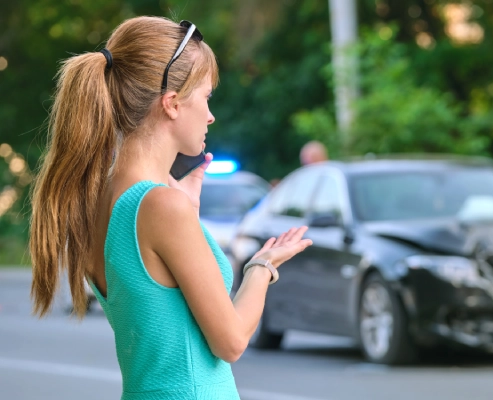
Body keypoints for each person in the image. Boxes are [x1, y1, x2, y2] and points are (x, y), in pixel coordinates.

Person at [29, 16, 312, 400]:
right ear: (172, 103)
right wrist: (261, 267)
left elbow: (156, 310)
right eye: (206, 97)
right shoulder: (161, 207)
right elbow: (230, 343)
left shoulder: (98, 200)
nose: (211, 114)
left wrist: (185, 212)